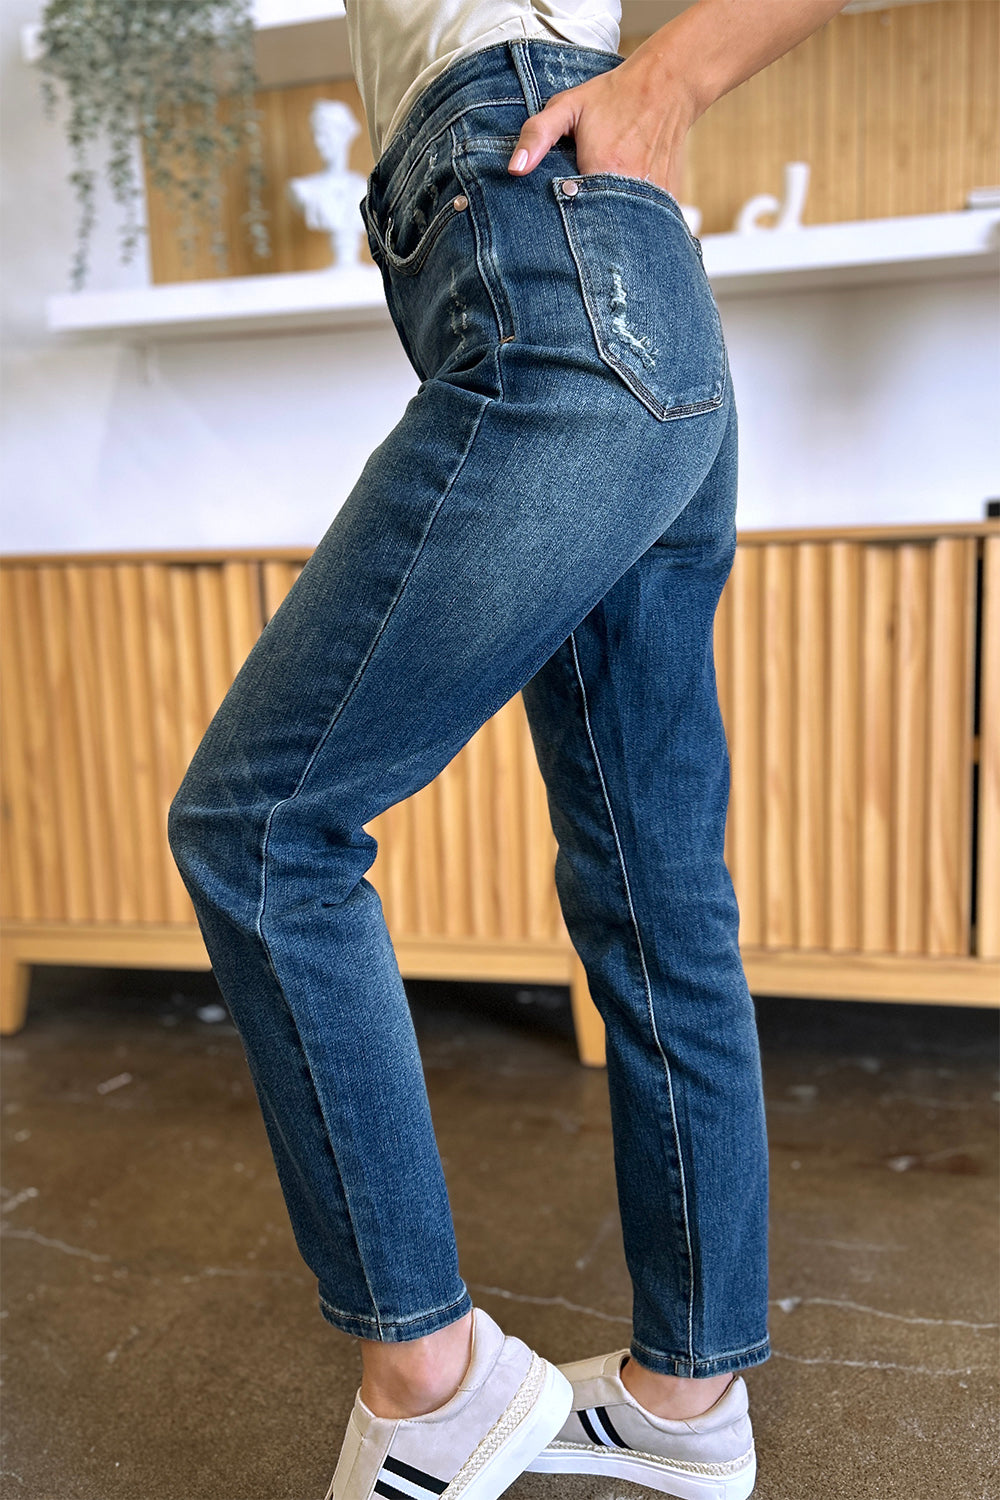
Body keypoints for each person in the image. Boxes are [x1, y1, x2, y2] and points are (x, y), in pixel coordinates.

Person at [167, 2, 848, 1497]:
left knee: (262, 826)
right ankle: (686, 1400)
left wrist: (675, 71)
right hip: (629, 279)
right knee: (657, 886)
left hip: (546, 226)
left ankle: (432, 1383)